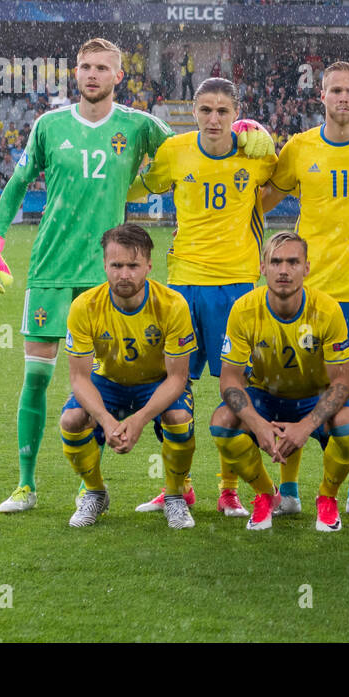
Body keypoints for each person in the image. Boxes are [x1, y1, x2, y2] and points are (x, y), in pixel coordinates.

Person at [0, 37, 270, 515]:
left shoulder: (139, 126)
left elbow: (198, 145)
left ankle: (88, 489)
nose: (92, 75)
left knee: (103, 379)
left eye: (102, 68)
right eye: (85, 67)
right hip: (50, 267)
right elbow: (16, 185)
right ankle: (25, 485)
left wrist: (246, 130)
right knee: (35, 379)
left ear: (119, 76)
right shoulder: (49, 126)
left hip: (110, 276)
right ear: (76, 73)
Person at [258, 61, 349, 521]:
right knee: (294, 392)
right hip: (305, 295)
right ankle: (288, 492)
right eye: (335, 90)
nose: (343, 98)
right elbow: (264, 199)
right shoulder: (299, 149)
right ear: (320, 95)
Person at [125, 77, 276, 515]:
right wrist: (103, 188)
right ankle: (180, 486)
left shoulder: (255, 155)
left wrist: (266, 136)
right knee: (173, 388)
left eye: (223, 111)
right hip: (184, 285)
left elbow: (285, 177)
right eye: (206, 110)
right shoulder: (174, 152)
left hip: (238, 286)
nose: (213, 118)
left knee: (238, 390)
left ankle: (230, 488)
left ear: (235, 114)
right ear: (193, 112)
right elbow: (141, 188)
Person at [209, 232, 349, 533]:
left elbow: (342, 383)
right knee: (222, 422)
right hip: (266, 397)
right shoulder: (244, 309)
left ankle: (327, 497)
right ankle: (268, 494)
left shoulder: (328, 309)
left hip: (315, 398)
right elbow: (229, 378)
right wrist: (257, 423)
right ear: (262, 267)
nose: (283, 270)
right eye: (275, 261)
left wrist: (307, 425)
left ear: (306, 268)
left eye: (293, 262)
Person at [60, 225, 198, 530]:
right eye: (117, 265)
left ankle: (175, 495)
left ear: (149, 266)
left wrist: (139, 420)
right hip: (107, 384)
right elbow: (79, 379)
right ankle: (95, 492)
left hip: (158, 383)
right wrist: (107, 421)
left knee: (178, 417)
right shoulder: (84, 306)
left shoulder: (173, 305)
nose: (125, 274)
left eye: (133, 266)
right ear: (105, 265)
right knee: (71, 420)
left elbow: (177, 379)